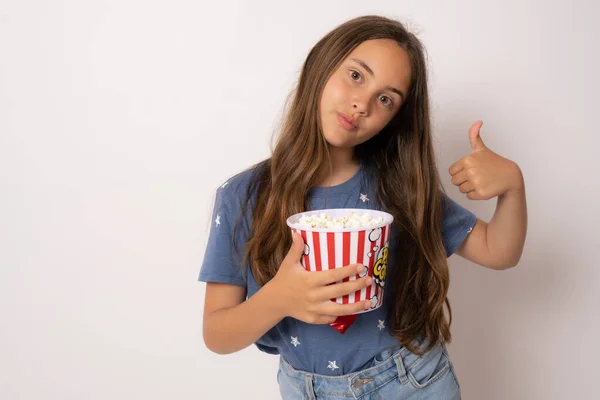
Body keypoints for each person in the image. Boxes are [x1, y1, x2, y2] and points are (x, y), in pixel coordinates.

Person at [198, 14, 527, 399]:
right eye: (356, 76)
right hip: (304, 389)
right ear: (320, 66)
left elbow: (498, 251)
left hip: (410, 383)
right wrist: (280, 298)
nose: (361, 104)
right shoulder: (243, 196)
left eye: (385, 99)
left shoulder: (400, 186)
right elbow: (216, 335)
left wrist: (512, 187)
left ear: (394, 119)